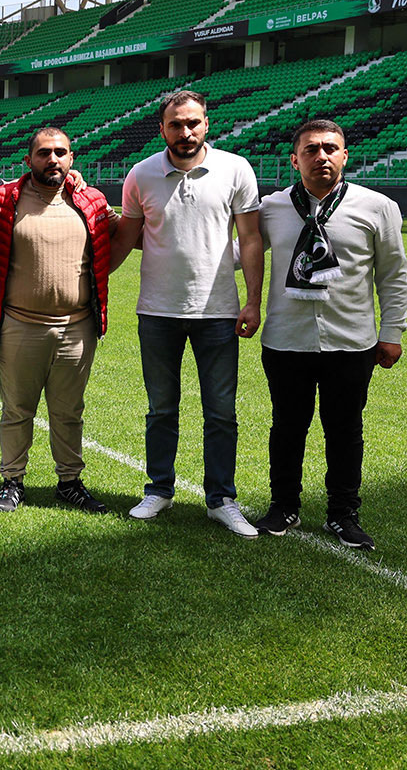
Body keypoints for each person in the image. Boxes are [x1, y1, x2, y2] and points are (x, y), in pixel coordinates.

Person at [112, 89, 264, 537]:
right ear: (162, 129)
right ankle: (159, 489)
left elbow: (251, 239)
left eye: (193, 122)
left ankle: (222, 498)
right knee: (162, 408)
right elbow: (124, 238)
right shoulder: (141, 175)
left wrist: (252, 300)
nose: (185, 131)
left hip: (218, 312)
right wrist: (92, 283)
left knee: (221, 412)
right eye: (176, 124)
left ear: (206, 124)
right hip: (157, 312)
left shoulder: (235, 169)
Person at [254, 119, 406, 548]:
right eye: (311, 149)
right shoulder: (272, 207)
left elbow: (393, 275)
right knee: (287, 427)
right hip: (286, 340)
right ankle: (283, 507)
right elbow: (238, 254)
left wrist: (392, 330)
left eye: (330, 148)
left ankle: (343, 514)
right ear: (294, 159)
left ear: (344, 155)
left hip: (352, 342)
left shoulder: (378, 206)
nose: (321, 156)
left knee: (345, 430)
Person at [0, 128, 114, 514]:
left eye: (60, 153)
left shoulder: (91, 201)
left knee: (69, 412)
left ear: (72, 159)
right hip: (20, 325)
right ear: (28, 160)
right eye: (43, 153)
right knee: (17, 410)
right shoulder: (4, 200)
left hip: (77, 328)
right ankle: (12, 480)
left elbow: (112, 244)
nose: (52, 159)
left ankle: (70, 482)